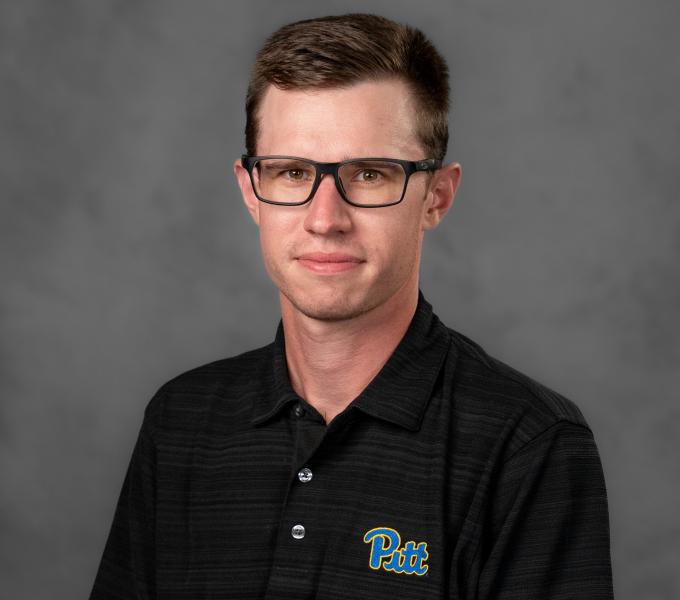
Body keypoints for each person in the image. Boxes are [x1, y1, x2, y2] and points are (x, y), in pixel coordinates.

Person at [90, 13, 614, 600]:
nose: (325, 219)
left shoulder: (529, 445)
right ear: (250, 191)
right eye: (291, 172)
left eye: (369, 174)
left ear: (436, 196)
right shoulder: (181, 422)